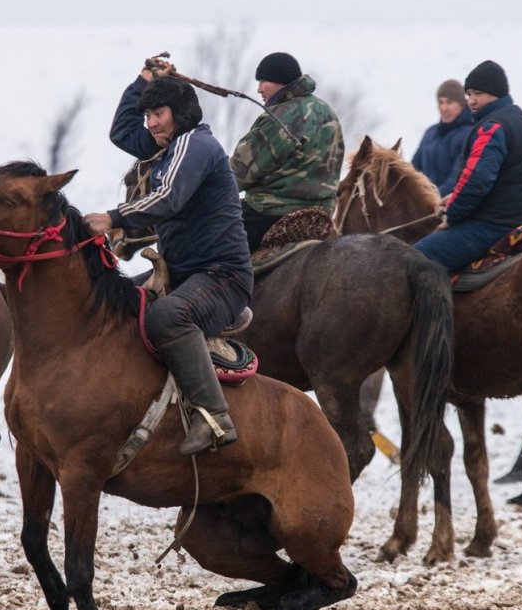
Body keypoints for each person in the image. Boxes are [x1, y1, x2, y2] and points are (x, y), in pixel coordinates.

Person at [84, 63, 253, 456]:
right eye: (148, 115)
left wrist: (112, 218)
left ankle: (214, 418)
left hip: (221, 277)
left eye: (158, 114)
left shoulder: (196, 145)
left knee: (167, 316)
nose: (151, 124)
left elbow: (168, 198)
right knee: (114, 302)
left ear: (181, 114)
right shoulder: (169, 147)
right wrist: (143, 82)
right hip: (181, 272)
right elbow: (122, 132)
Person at [414, 60, 522, 273]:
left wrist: (453, 216)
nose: (472, 101)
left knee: (415, 259)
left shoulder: (492, 127)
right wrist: (455, 198)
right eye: (469, 94)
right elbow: (501, 178)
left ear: (496, 93)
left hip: (497, 224)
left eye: (478, 93)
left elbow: (477, 180)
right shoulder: (517, 118)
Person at [229, 52, 344, 254]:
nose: (258, 89)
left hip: (271, 213)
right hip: (322, 215)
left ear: (279, 81)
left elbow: (237, 174)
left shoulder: (281, 117)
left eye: (263, 81)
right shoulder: (327, 111)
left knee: (204, 242)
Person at [411, 79, 474, 197]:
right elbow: (414, 170)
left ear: (462, 104)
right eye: (440, 102)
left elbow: (456, 181)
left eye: (449, 102)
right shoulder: (430, 133)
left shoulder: (469, 134)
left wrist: (426, 199)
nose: (444, 108)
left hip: (449, 207)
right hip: (426, 206)